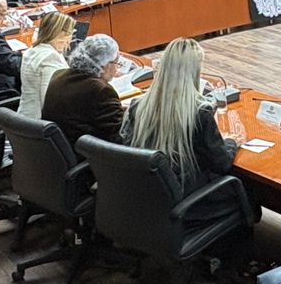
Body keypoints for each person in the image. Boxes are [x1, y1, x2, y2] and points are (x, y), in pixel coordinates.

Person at [122, 38, 243, 233]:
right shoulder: (199, 112)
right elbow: (221, 164)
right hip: (185, 201)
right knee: (244, 189)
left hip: (146, 197)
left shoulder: (139, 106)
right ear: (194, 71)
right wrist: (231, 142)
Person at [41, 33, 126, 150]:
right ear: (105, 65)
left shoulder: (58, 76)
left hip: (57, 151)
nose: (117, 69)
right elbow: (118, 138)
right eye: (117, 63)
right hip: (87, 155)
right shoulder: (102, 91)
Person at [18, 10, 75, 120]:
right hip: (40, 122)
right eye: (70, 33)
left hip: (25, 117)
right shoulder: (50, 57)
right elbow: (50, 101)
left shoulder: (31, 51)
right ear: (61, 34)